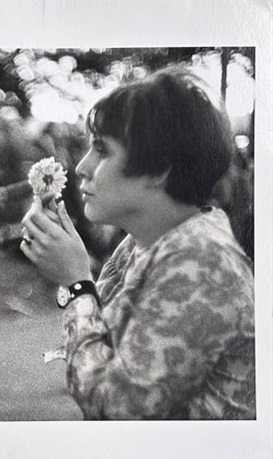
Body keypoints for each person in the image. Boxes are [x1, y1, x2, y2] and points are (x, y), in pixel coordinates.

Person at [21, 68, 255, 420]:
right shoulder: (144, 242)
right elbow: (101, 345)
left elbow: (118, 409)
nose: (83, 167)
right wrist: (69, 264)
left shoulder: (202, 260)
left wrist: (75, 283)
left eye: (102, 150)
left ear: (160, 169)